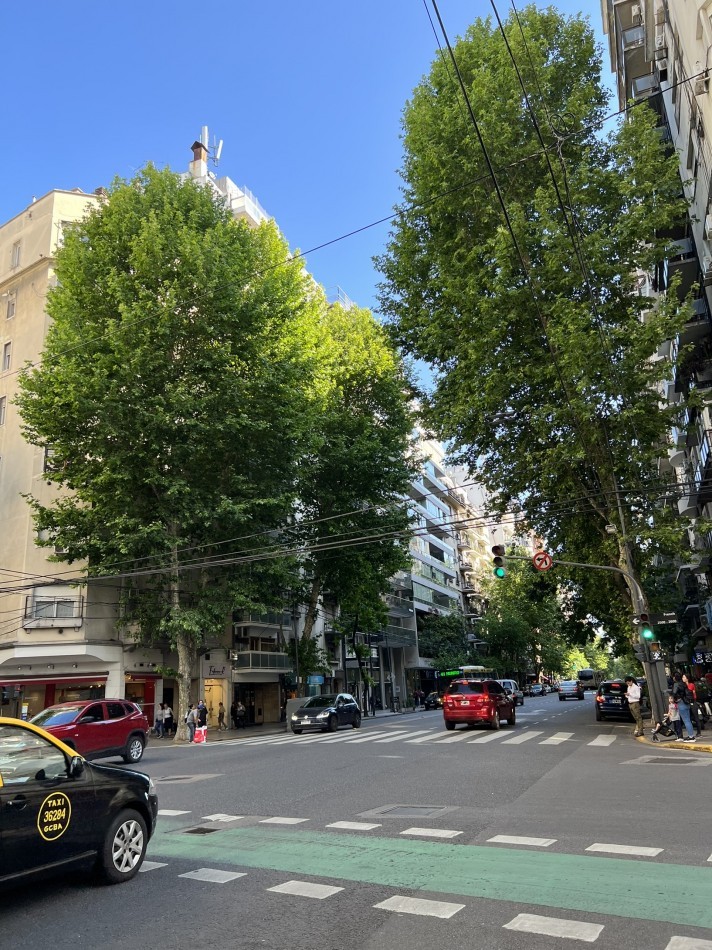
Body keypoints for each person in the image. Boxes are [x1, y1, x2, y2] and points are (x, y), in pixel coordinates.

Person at [672, 672, 696, 742]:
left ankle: (691, 737)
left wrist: (675, 698)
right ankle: (691, 735)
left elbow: (674, 693)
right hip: (687, 702)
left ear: (675, 678)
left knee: (686, 720)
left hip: (681, 703)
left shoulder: (677, 684)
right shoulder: (684, 684)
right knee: (688, 720)